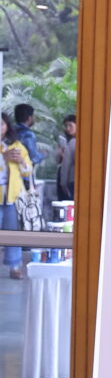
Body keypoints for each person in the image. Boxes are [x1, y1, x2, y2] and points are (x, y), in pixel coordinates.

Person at [1, 112, 34, 279]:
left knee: (12, 233)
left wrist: (21, 160)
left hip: (12, 197)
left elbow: (28, 172)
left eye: (1, 124)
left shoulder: (17, 145)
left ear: (7, 126)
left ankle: (15, 266)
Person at [55, 114, 76, 200]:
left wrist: (63, 183)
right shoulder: (66, 140)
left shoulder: (73, 142)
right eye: (66, 126)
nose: (67, 128)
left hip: (70, 179)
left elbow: (66, 164)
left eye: (70, 125)